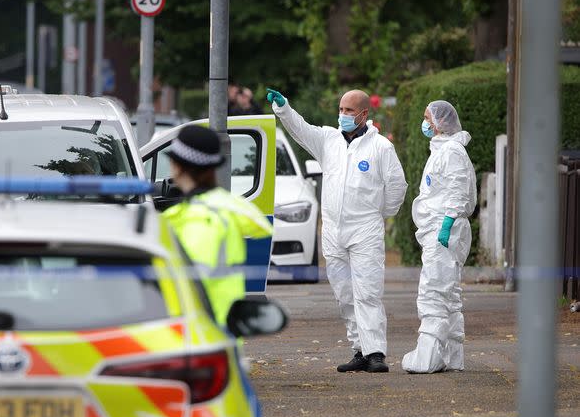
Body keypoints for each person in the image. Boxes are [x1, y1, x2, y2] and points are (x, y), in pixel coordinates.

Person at [265, 87, 407, 372]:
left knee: (367, 292)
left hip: (364, 229)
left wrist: (380, 213)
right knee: (344, 293)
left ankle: (375, 352)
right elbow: (300, 130)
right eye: (341, 110)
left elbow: (396, 186)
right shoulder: (329, 140)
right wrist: (283, 108)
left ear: (364, 114)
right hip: (333, 230)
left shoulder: (381, 148)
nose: (342, 115)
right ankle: (359, 350)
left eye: (349, 111)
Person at [162, 125, 273, 325]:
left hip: (199, 333)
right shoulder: (224, 207)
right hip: (220, 331)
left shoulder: (202, 217)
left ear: (179, 166)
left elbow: (189, 282)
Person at [402, 100, 476, 373]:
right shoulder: (443, 150)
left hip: (444, 230)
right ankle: (452, 356)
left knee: (433, 291)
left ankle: (428, 358)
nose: (425, 123)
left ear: (439, 122)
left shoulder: (452, 152)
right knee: (449, 293)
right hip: (441, 228)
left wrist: (446, 223)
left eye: (427, 118)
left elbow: (458, 189)